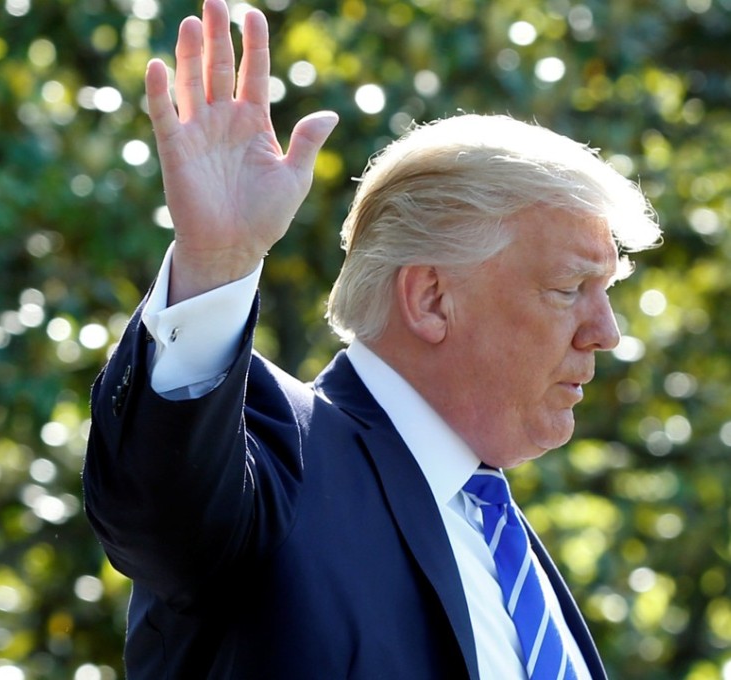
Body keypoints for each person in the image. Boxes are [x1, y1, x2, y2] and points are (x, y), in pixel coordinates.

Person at [83, 0, 662, 678]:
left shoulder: (507, 550)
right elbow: (161, 508)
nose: (607, 333)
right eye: (570, 289)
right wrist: (216, 265)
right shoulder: (282, 457)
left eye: (608, 292)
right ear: (431, 299)